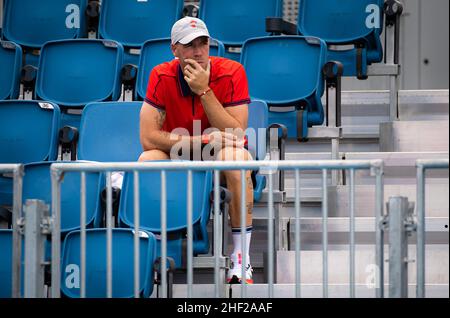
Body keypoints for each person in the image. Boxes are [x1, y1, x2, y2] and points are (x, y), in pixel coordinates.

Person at [138, 17, 254, 284]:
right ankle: (155, 251)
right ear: (174, 49)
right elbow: (148, 138)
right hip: (180, 153)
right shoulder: (161, 74)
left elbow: (236, 134)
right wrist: (201, 142)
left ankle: (241, 259)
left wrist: (204, 91)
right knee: (148, 159)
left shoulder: (232, 70)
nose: (199, 51)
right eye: (190, 45)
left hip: (222, 157)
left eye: (203, 43)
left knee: (235, 158)